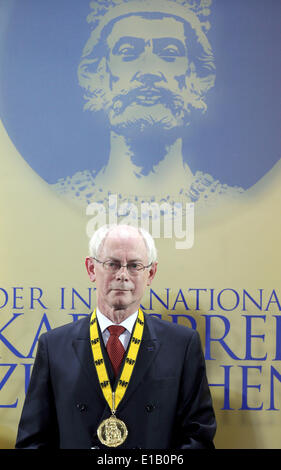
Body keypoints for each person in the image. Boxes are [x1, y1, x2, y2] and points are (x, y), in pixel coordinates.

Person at [15, 224, 216, 449]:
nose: (122, 275)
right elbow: (32, 441)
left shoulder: (182, 345)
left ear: (150, 273)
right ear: (91, 269)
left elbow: (198, 438)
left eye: (134, 266)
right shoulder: (53, 346)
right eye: (112, 264)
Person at [52, 0, 243, 208]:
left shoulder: (233, 206)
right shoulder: (56, 203)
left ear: (194, 75)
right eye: (127, 52)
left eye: (169, 53)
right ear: (100, 72)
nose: (149, 70)